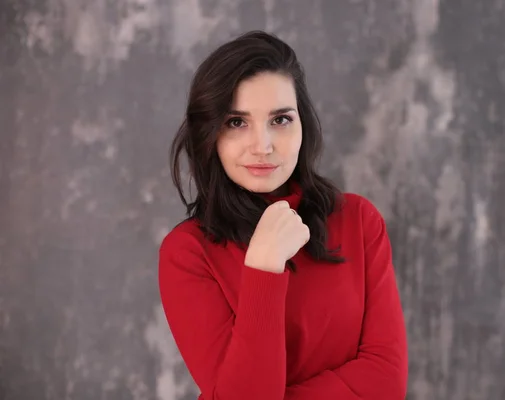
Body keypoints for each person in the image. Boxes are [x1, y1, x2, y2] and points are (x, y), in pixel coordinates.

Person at [158, 30, 408, 400]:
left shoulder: (358, 220)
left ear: (303, 126)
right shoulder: (187, 254)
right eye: (236, 122)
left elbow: (386, 381)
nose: (263, 146)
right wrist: (263, 268)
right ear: (208, 134)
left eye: (280, 120)